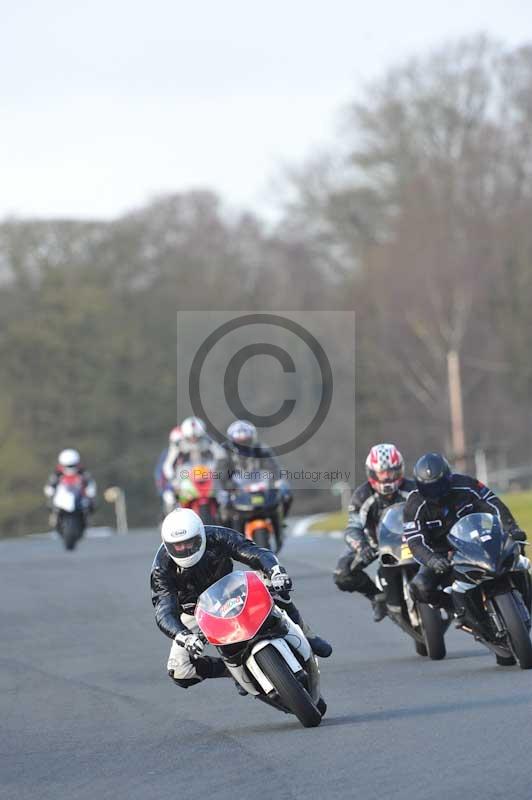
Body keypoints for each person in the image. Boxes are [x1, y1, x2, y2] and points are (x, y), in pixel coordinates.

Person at [151, 507, 332, 690]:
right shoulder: (161, 567)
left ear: (201, 535)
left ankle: (306, 634)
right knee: (179, 672)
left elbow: (253, 551)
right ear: (168, 545)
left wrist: (275, 571)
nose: (184, 549)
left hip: (231, 588)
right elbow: (163, 609)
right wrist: (183, 635)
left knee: (275, 582)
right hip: (196, 611)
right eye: (178, 545)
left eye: (189, 542)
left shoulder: (217, 535)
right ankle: (234, 671)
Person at [403, 452, 526, 621]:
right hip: (441, 554)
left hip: (475, 540)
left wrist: (511, 528)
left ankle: (527, 597)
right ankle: (453, 608)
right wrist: (432, 560)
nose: (435, 492)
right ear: (419, 486)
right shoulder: (414, 505)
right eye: (429, 488)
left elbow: (493, 503)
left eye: (438, 485)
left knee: (517, 550)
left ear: (448, 476)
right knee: (420, 587)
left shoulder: (467, 484)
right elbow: (415, 541)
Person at [333, 444, 415, 621]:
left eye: (390, 472)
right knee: (342, 574)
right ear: (372, 473)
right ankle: (377, 597)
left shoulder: (413, 490)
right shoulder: (362, 496)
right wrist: (362, 547)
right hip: (374, 543)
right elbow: (352, 527)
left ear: (399, 470)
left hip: (412, 539)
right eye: (381, 472)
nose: (386, 477)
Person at [215, 420, 292, 549]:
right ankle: (225, 540)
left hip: (259, 488)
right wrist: (229, 486)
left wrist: (276, 481)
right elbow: (221, 473)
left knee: (286, 493)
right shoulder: (225, 453)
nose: (243, 445)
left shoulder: (261, 450)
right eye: (240, 442)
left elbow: (273, 468)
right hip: (237, 491)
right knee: (222, 507)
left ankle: (281, 522)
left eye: (246, 441)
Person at [43, 449, 97, 520]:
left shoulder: (83, 473)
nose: (70, 469)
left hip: (79, 498)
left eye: (72, 466)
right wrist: (50, 490)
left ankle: (87, 519)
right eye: (68, 466)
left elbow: (90, 484)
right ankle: (55, 518)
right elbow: (50, 485)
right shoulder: (57, 474)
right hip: (62, 499)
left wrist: (90, 493)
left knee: (91, 504)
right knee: (50, 504)